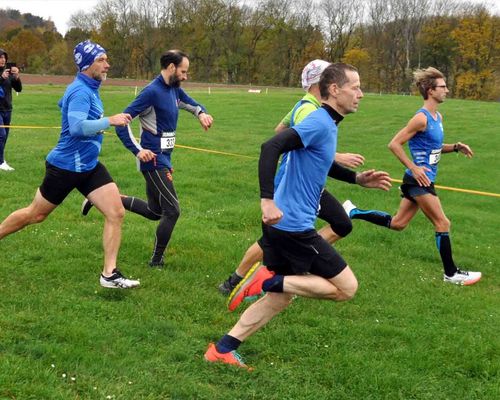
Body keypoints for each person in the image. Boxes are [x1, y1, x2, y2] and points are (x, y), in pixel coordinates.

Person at [205, 63, 392, 368]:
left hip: (283, 225)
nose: (361, 94)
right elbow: (271, 146)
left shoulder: (327, 124)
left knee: (282, 298)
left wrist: (356, 180)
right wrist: (266, 200)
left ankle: (223, 349)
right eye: (355, 87)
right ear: (334, 89)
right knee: (346, 288)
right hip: (292, 225)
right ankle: (267, 279)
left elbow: (319, 160)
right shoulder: (319, 120)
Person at [218, 59, 367, 295]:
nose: (360, 93)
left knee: (338, 224)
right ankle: (243, 279)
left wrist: (352, 175)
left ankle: (283, 267)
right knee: (272, 241)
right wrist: (331, 154)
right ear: (327, 85)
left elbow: (282, 129)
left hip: (304, 183)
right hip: (294, 187)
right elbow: (278, 141)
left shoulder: (307, 105)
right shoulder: (313, 110)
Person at [0, 40, 140, 289]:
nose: (107, 64)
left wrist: (68, 106)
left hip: (88, 165)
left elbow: (65, 106)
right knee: (36, 214)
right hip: (65, 167)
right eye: (101, 60)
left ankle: (109, 274)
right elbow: (76, 128)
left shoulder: (87, 87)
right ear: (87, 64)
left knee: (116, 212)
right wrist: (110, 120)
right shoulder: (81, 91)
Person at [343, 67, 481, 286]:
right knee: (442, 222)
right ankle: (451, 274)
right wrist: (414, 168)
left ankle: (353, 211)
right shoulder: (421, 118)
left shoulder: (437, 116)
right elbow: (394, 144)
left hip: (422, 179)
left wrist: (455, 147)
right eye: (442, 86)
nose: (447, 90)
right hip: (418, 181)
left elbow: (433, 147)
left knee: (398, 224)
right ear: (430, 90)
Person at [81, 50, 213, 268]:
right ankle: (156, 260)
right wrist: (138, 150)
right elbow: (123, 121)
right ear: (171, 67)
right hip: (152, 160)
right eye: (183, 71)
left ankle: (98, 200)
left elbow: (193, 104)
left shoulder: (174, 91)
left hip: (165, 159)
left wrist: (202, 114)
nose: (185, 76)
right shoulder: (151, 92)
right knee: (172, 210)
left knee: (155, 212)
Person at [0, 48, 22, 171]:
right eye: (0, 57)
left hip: (7, 109)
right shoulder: (3, 75)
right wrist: (1, 78)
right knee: (1, 135)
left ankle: (1, 158)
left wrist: (17, 77)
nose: (3, 60)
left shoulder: (8, 73)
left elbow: (18, 89)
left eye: (4, 57)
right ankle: (0, 162)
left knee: (5, 136)